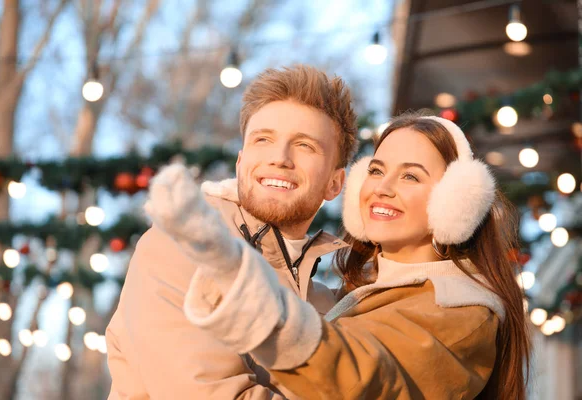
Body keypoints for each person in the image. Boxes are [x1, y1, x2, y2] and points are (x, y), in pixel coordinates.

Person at [145, 112, 531, 400]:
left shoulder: (459, 311)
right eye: (377, 170)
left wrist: (238, 282)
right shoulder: (355, 296)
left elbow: (364, 376)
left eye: (411, 176)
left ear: (457, 203)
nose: (384, 188)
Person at [105, 65, 359, 399]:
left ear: (335, 183)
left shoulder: (329, 303)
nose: (279, 158)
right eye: (263, 139)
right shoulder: (183, 246)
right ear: (241, 163)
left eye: (305, 146)